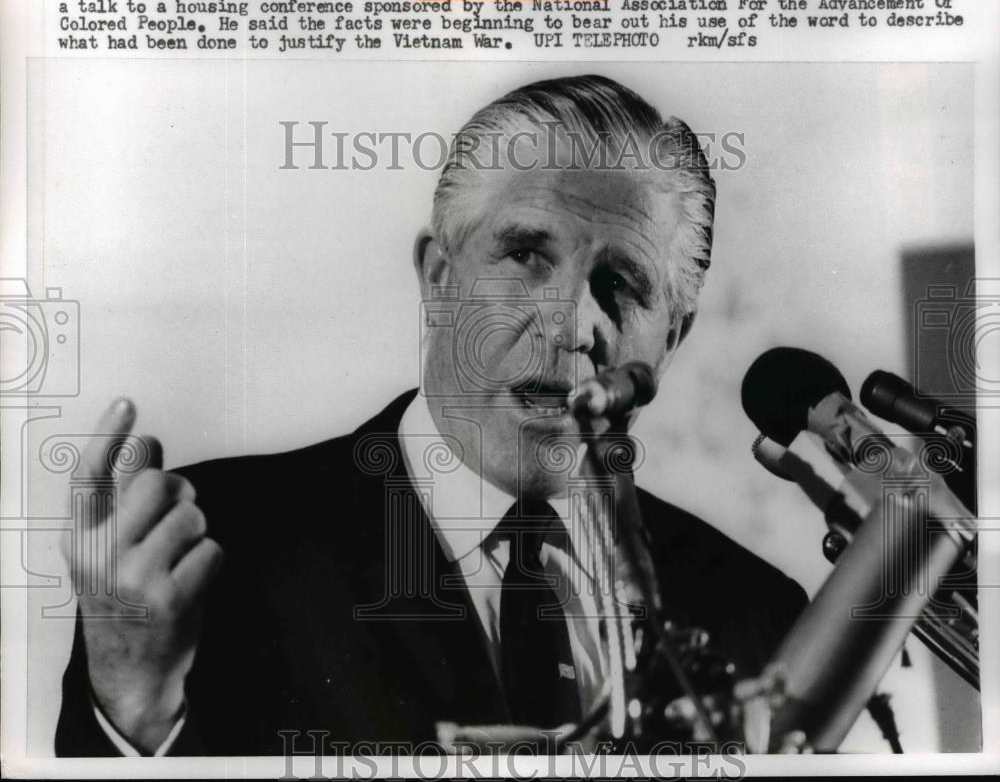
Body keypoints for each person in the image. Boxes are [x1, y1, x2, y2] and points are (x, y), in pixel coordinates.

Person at [55, 74, 807, 756]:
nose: (572, 324)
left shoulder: (761, 614)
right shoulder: (215, 551)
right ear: (439, 278)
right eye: (526, 255)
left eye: (623, 283)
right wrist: (129, 697)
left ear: (671, 339)